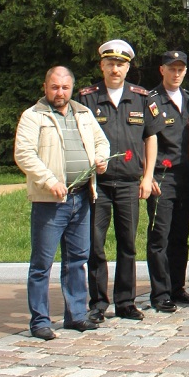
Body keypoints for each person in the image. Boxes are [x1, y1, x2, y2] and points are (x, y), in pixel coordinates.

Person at [14, 65, 109, 340]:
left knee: (77, 259)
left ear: (72, 88)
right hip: (50, 200)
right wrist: (49, 180)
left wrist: (100, 159)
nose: (60, 93)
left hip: (81, 197)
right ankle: (40, 321)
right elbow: (24, 154)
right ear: (45, 87)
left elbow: (101, 142)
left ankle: (76, 315)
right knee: (42, 263)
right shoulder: (33, 116)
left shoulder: (83, 113)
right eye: (55, 87)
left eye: (65, 87)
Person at [79, 39, 162, 323]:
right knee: (95, 245)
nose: (115, 69)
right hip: (98, 185)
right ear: (101, 66)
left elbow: (151, 138)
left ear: (128, 68)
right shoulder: (87, 99)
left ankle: (125, 302)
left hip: (129, 183)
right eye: (110, 64)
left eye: (120, 64)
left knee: (128, 244)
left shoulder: (141, 97)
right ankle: (98, 303)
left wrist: (148, 177)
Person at [146, 49, 189, 313]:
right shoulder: (150, 100)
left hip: (185, 175)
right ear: (162, 70)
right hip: (161, 176)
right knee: (160, 236)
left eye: (180, 69)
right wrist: (147, 175)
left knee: (180, 235)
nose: (176, 74)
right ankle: (160, 293)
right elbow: (144, 138)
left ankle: (177, 287)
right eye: (171, 69)